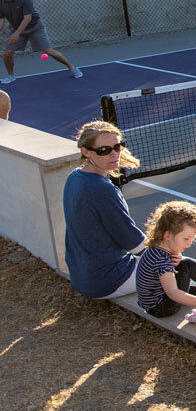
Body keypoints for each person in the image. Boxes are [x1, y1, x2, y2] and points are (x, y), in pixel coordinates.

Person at [62, 121, 145, 298]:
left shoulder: (75, 176)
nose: (114, 154)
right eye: (104, 150)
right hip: (107, 280)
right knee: (179, 266)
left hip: (82, 275)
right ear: (85, 151)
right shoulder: (101, 189)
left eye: (117, 146)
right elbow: (132, 240)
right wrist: (166, 255)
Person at [135, 201, 196, 318]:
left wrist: (178, 259)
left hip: (156, 300)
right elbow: (173, 293)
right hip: (160, 307)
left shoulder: (157, 249)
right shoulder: (161, 261)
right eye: (186, 239)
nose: (190, 243)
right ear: (168, 235)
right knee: (187, 264)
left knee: (193, 280)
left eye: (192, 239)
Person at [1, 0, 83, 84]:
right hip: (16, 29)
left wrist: (16, 34)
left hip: (35, 27)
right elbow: (1, 19)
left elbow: (27, 18)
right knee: (7, 53)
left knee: (49, 51)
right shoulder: (0, 2)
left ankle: (72, 67)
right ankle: (11, 76)